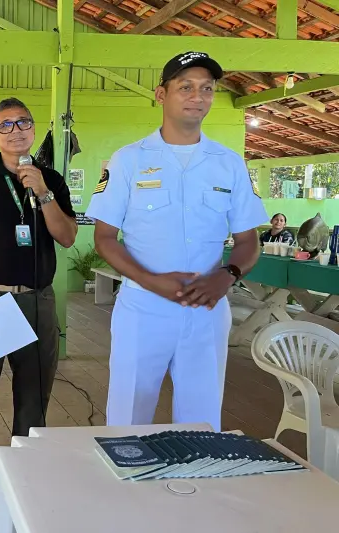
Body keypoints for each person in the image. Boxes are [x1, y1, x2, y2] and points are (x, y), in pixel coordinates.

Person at [85, 52, 268, 432]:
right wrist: (152, 281)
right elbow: (104, 238)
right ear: (161, 94)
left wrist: (227, 274)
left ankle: (195, 487)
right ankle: (127, 489)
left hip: (206, 309)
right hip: (143, 308)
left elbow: (248, 240)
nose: (197, 96)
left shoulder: (229, 163)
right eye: (185, 86)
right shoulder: (128, 161)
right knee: (127, 420)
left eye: (207, 89)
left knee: (201, 423)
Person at [0, 97, 77, 524]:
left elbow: (66, 237)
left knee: (33, 396)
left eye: (23, 122)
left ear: (33, 128)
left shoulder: (52, 180)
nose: (16, 129)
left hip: (37, 300)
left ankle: (26, 474)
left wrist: (42, 193)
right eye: (5, 125)